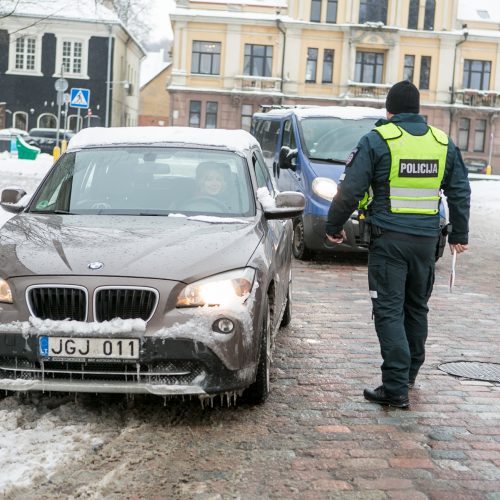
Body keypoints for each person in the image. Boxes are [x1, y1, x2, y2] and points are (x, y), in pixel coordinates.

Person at [325, 80, 471, 409]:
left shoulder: (378, 140)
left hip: (389, 241)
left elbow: (350, 189)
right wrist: (460, 234)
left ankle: (394, 388)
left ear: (389, 111)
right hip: (426, 244)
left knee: (389, 312)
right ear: (418, 110)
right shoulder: (442, 143)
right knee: (416, 308)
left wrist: (334, 227)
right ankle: (408, 375)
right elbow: (460, 190)